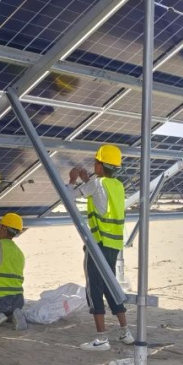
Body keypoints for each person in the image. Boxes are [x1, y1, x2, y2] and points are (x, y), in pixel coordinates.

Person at [68, 144, 134, 351]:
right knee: (110, 285)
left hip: (98, 244)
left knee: (94, 287)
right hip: (113, 245)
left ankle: (102, 339)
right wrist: (88, 180)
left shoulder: (96, 184)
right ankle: (125, 332)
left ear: (100, 165)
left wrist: (72, 180)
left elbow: (70, 195)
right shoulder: (117, 185)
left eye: (95, 162)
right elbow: (101, 200)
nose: (93, 165)